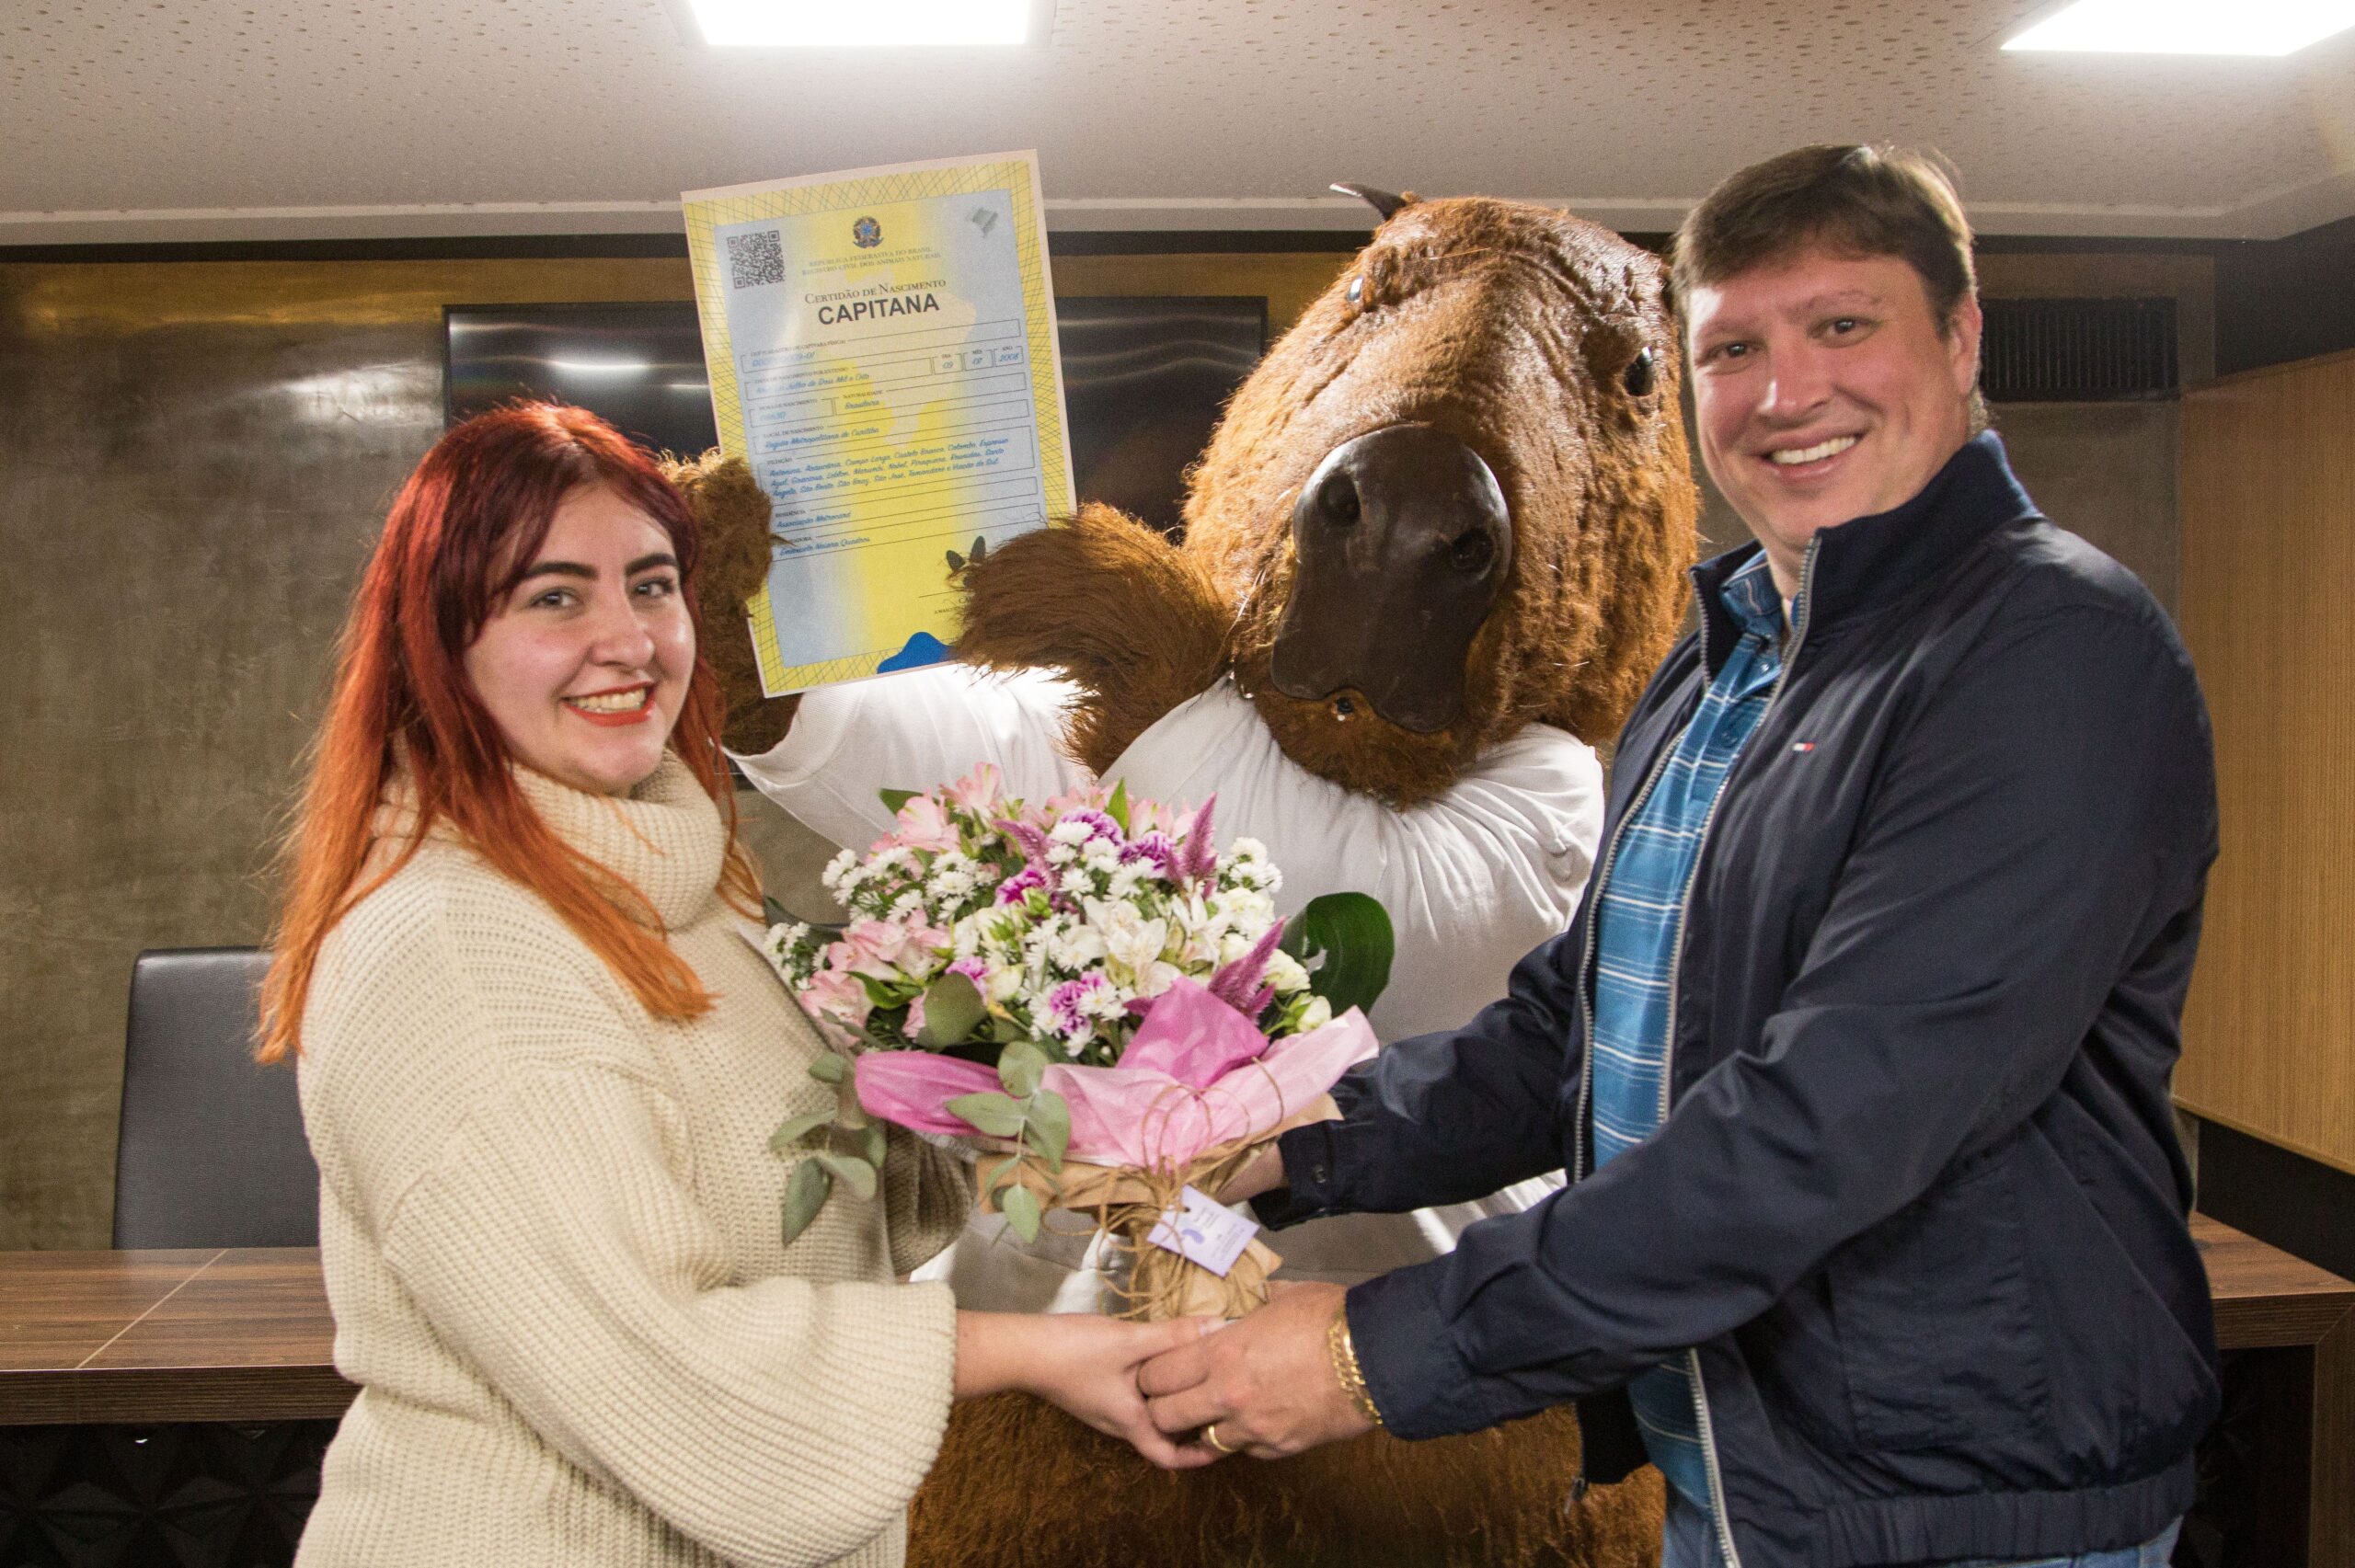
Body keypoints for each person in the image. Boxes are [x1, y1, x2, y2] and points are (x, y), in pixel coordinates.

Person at [1140, 143, 2218, 1568]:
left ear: (1960, 339)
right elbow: (1569, 1028)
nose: (1788, 393)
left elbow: (1824, 1123)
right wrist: (1279, 1136)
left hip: (1960, 1514)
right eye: (1732, 348)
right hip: (1731, 1470)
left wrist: (1370, 1352)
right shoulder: (1714, 672)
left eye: (1844, 326)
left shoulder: (2049, 651)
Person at [259, 404, 1208, 1568]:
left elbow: (818, 1207)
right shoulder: (454, 953)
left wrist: (1037, 1104)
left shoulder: (677, 888)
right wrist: (1039, 1353)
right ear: (438, 640)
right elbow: (665, 1369)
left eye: (652, 586)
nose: (631, 640)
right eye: (554, 597)